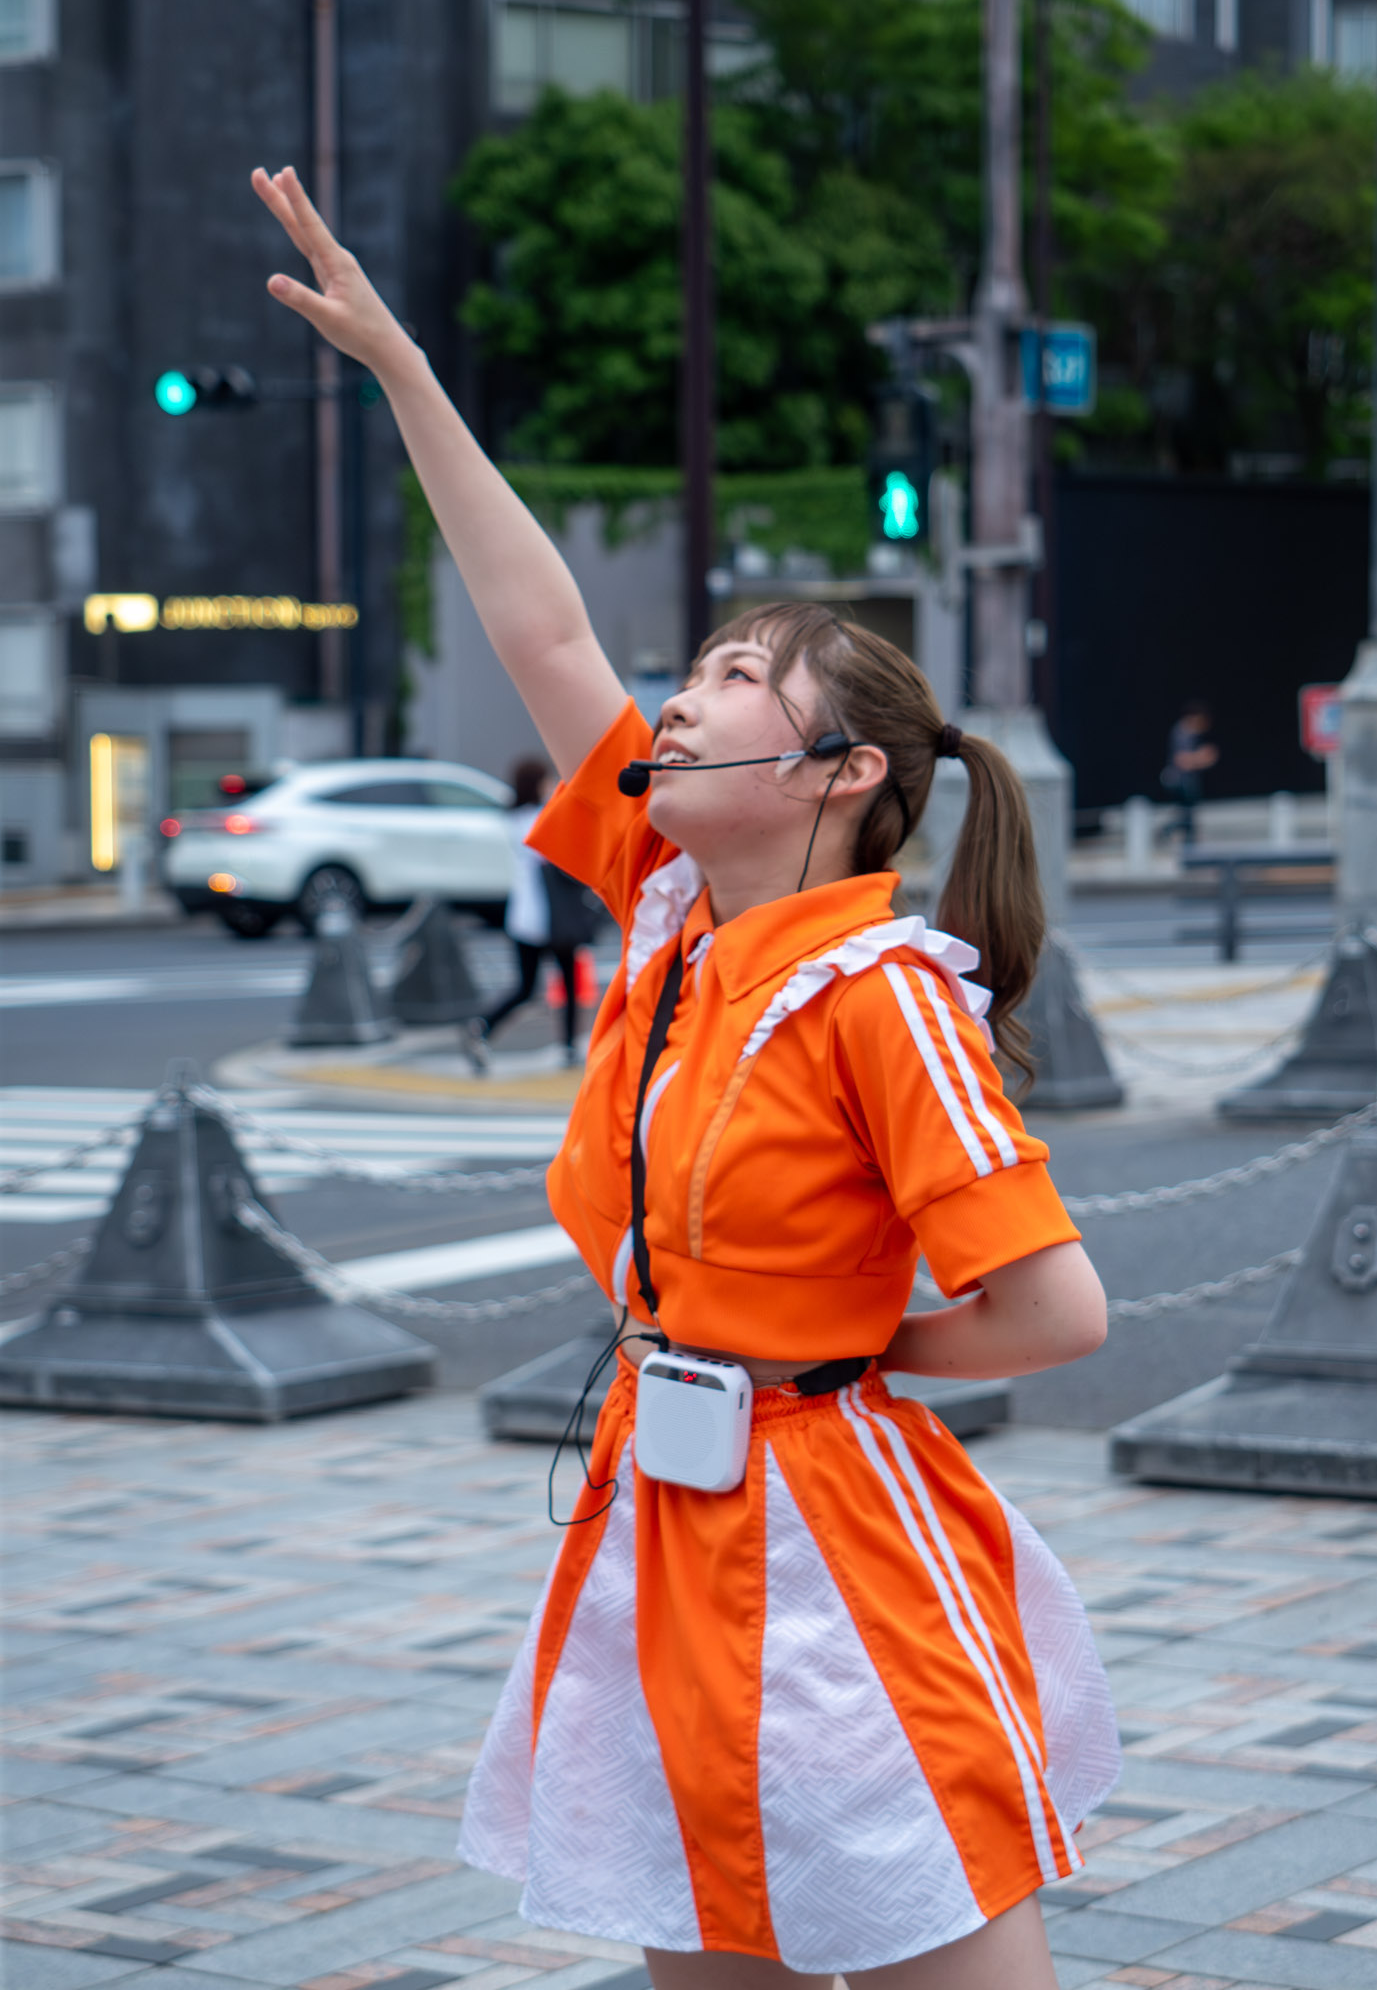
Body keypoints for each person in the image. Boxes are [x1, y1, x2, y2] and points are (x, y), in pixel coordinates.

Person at [253, 161, 1119, 1990]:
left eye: (731, 676)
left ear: (833, 779)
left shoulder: (883, 990)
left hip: (832, 1532)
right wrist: (403, 368)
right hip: (666, 1507)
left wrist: (834, 1357)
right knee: (697, 1936)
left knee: (925, 1931)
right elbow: (544, 631)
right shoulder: (669, 909)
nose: (679, 692)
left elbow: (1056, 1308)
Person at [462, 757, 593, 1072]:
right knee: (566, 984)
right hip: (552, 916)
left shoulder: (514, 819)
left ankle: (482, 1027)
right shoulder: (541, 818)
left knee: (526, 986)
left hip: (523, 916)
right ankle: (569, 1047)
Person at [1159, 700, 1218, 846]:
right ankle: (1168, 834)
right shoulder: (1182, 733)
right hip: (1181, 782)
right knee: (1186, 818)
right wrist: (1202, 757)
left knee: (1188, 818)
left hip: (1186, 781)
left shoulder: (1189, 733)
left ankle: (1187, 846)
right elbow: (1181, 761)